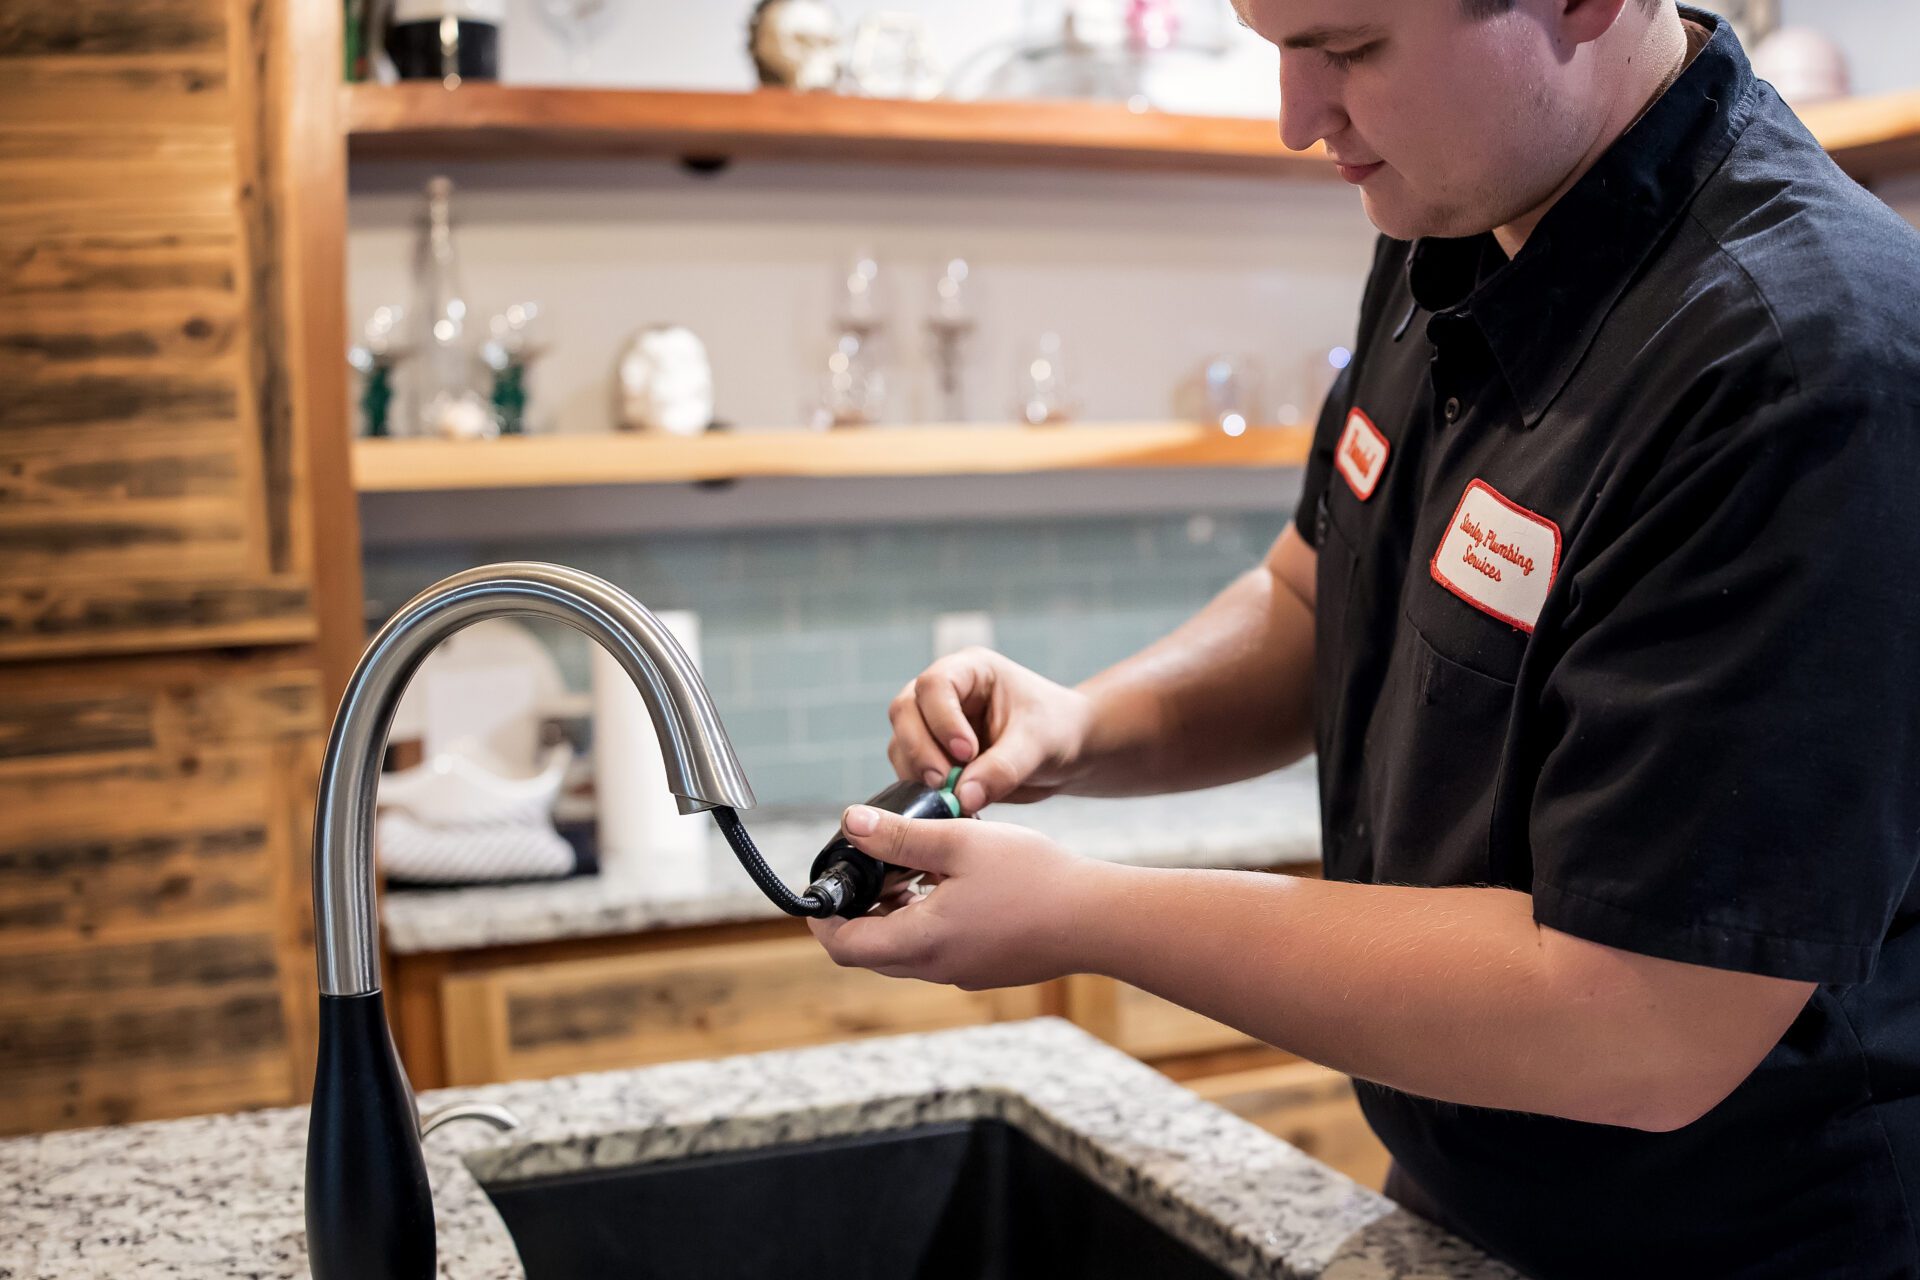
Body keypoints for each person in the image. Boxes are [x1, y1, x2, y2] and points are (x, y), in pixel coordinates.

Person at [807, 2, 1920, 1275]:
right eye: (1275, 46)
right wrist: (1082, 724)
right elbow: (1314, 594)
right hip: (1462, 1207)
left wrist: (1088, 912)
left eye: (1348, 49)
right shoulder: (1453, 216)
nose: (1297, 120)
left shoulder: (1805, 363)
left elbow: (1640, 1022)